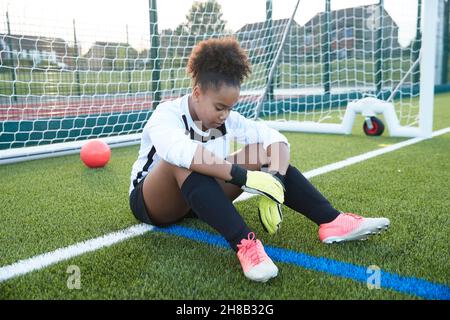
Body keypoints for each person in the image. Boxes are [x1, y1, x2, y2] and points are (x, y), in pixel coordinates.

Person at [129, 37, 390, 283]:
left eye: (230, 108)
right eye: (220, 107)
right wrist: (244, 178)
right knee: (183, 161)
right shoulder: (168, 114)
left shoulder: (225, 119)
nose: (225, 115)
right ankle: (245, 244)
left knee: (261, 152)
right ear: (197, 93)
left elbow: (274, 139)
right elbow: (180, 151)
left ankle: (332, 221)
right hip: (154, 203)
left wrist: (274, 180)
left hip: (199, 199)